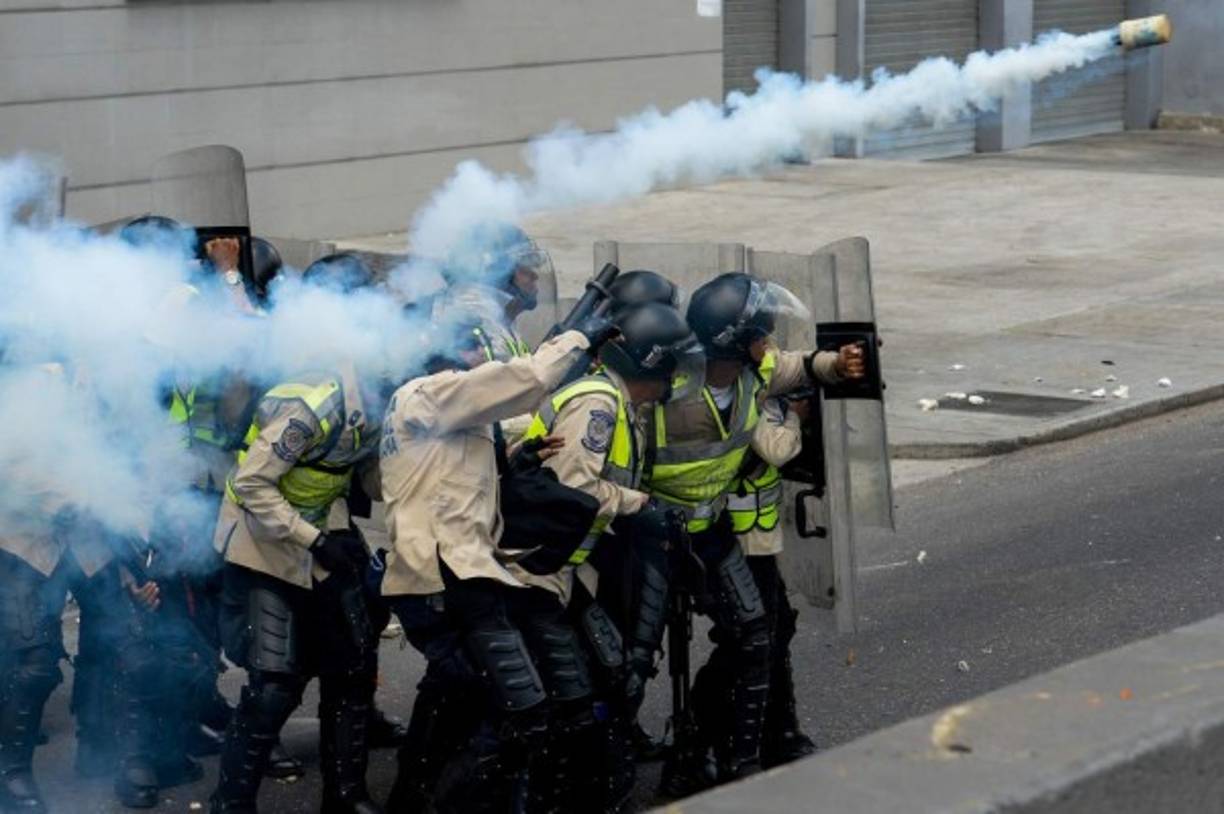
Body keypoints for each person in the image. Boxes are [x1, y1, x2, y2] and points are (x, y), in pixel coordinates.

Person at [378, 297, 616, 814]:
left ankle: (412, 802)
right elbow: (522, 380)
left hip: (454, 581)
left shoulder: (440, 412)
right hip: (448, 582)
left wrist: (518, 457)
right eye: (470, 347)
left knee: (454, 704)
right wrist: (578, 340)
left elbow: (455, 476)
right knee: (518, 712)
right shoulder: (427, 393)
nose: (478, 359)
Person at [647, 272, 865, 790]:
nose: (770, 342)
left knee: (759, 633)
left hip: (713, 531)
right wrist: (792, 415)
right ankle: (691, 745)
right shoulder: (671, 391)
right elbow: (775, 447)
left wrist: (833, 364)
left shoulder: (749, 371)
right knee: (632, 663)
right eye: (760, 334)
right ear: (735, 345)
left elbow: (786, 366)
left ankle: (744, 754)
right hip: (654, 537)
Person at [508, 300, 703, 812]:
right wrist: (637, 503)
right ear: (652, 362)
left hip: (563, 567)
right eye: (672, 366)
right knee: (564, 697)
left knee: (599, 679)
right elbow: (571, 488)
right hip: (534, 569)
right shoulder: (599, 403)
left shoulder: (618, 402)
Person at [208, 358, 387, 814]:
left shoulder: (383, 401)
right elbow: (251, 483)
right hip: (261, 542)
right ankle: (231, 803)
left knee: (352, 671)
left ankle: (345, 797)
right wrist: (316, 539)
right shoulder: (314, 407)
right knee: (273, 685)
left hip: (319, 540)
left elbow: (369, 476)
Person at [0, 364, 167, 811]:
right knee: (32, 660)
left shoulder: (113, 377)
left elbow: (139, 465)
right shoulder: (28, 374)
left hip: (96, 541)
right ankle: (11, 772)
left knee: (131, 641)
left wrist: (135, 549)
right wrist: (82, 501)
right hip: (25, 540)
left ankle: (114, 753)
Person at [728, 396, 817, 767]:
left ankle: (775, 730)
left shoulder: (749, 384)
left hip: (750, 538)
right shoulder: (746, 391)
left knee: (771, 632)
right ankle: (733, 736)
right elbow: (778, 450)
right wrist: (795, 417)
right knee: (757, 638)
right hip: (735, 539)